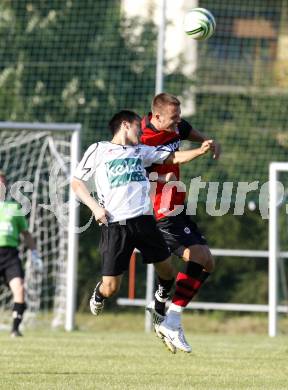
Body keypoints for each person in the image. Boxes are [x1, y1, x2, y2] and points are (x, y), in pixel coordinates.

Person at [71, 110, 212, 347]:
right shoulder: (99, 150)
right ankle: (100, 293)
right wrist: (95, 208)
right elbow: (76, 182)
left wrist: (199, 151)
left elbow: (172, 158)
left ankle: (159, 306)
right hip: (116, 225)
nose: (141, 130)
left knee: (167, 271)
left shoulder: (141, 151)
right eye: (138, 126)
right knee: (111, 287)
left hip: (145, 221)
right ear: (125, 125)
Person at [141, 93, 221, 353]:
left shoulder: (172, 125)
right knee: (198, 256)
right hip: (161, 211)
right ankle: (170, 320)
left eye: (178, 118)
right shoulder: (146, 140)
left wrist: (206, 139)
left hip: (177, 204)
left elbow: (184, 129)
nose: (178, 125)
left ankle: (164, 310)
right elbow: (173, 159)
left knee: (207, 261)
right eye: (173, 119)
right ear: (156, 117)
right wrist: (201, 150)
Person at [0, 171, 42, 337]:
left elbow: (25, 234)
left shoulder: (14, 207)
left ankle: (15, 329)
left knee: (20, 290)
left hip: (10, 255)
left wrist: (34, 253)